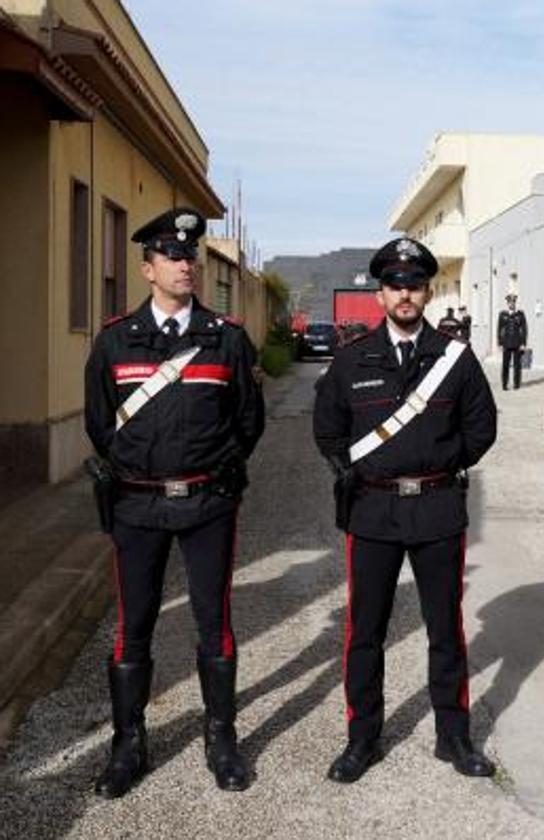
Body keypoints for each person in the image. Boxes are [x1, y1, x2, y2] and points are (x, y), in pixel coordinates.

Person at [83, 207, 265, 798]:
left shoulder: (226, 339)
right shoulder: (114, 342)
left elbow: (248, 422)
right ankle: (128, 745)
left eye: (190, 255)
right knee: (133, 626)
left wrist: (211, 465)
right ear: (147, 268)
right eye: (172, 255)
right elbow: (98, 424)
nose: (185, 264)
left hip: (208, 502)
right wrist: (139, 467)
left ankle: (221, 738)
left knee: (214, 623)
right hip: (137, 507)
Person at [313, 236, 498, 783]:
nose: (405, 294)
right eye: (395, 285)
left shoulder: (455, 359)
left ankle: (454, 736)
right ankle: (362, 739)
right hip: (372, 511)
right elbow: (327, 430)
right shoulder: (350, 360)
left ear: (427, 291)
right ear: (380, 294)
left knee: (445, 628)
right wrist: (369, 469)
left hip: (438, 507)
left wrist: (439, 462)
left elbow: (481, 427)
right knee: (365, 631)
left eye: (415, 284)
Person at [497, 293, 527, 390]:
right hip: (506, 343)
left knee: (517, 365)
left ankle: (516, 384)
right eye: (510, 302)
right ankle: (504, 384)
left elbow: (524, 329)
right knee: (505, 364)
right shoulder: (502, 314)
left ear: (515, 303)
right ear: (507, 303)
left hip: (517, 342)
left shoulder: (520, 314)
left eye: (513, 302)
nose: (512, 304)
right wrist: (500, 343)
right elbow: (499, 329)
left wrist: (523, 343)